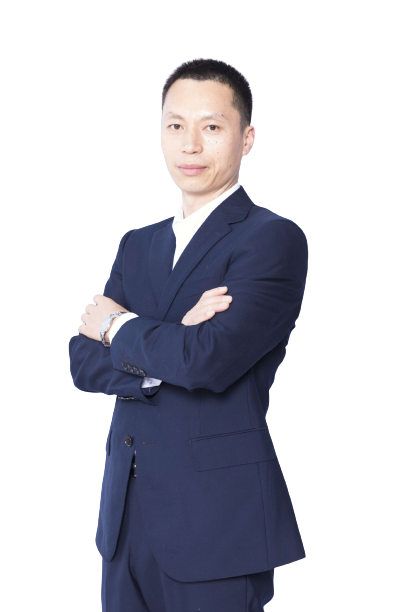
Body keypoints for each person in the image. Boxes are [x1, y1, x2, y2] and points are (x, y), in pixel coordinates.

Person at [68, 57, 308, 612]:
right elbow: (82, 360)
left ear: (246, 138)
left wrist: (118, 327)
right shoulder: (137, 243)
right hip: (124, 522)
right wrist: (171, 339)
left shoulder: (270, 239)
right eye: (175, 125)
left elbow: (209, 360)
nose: (190, 144)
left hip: (215, 524)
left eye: (212, 126)